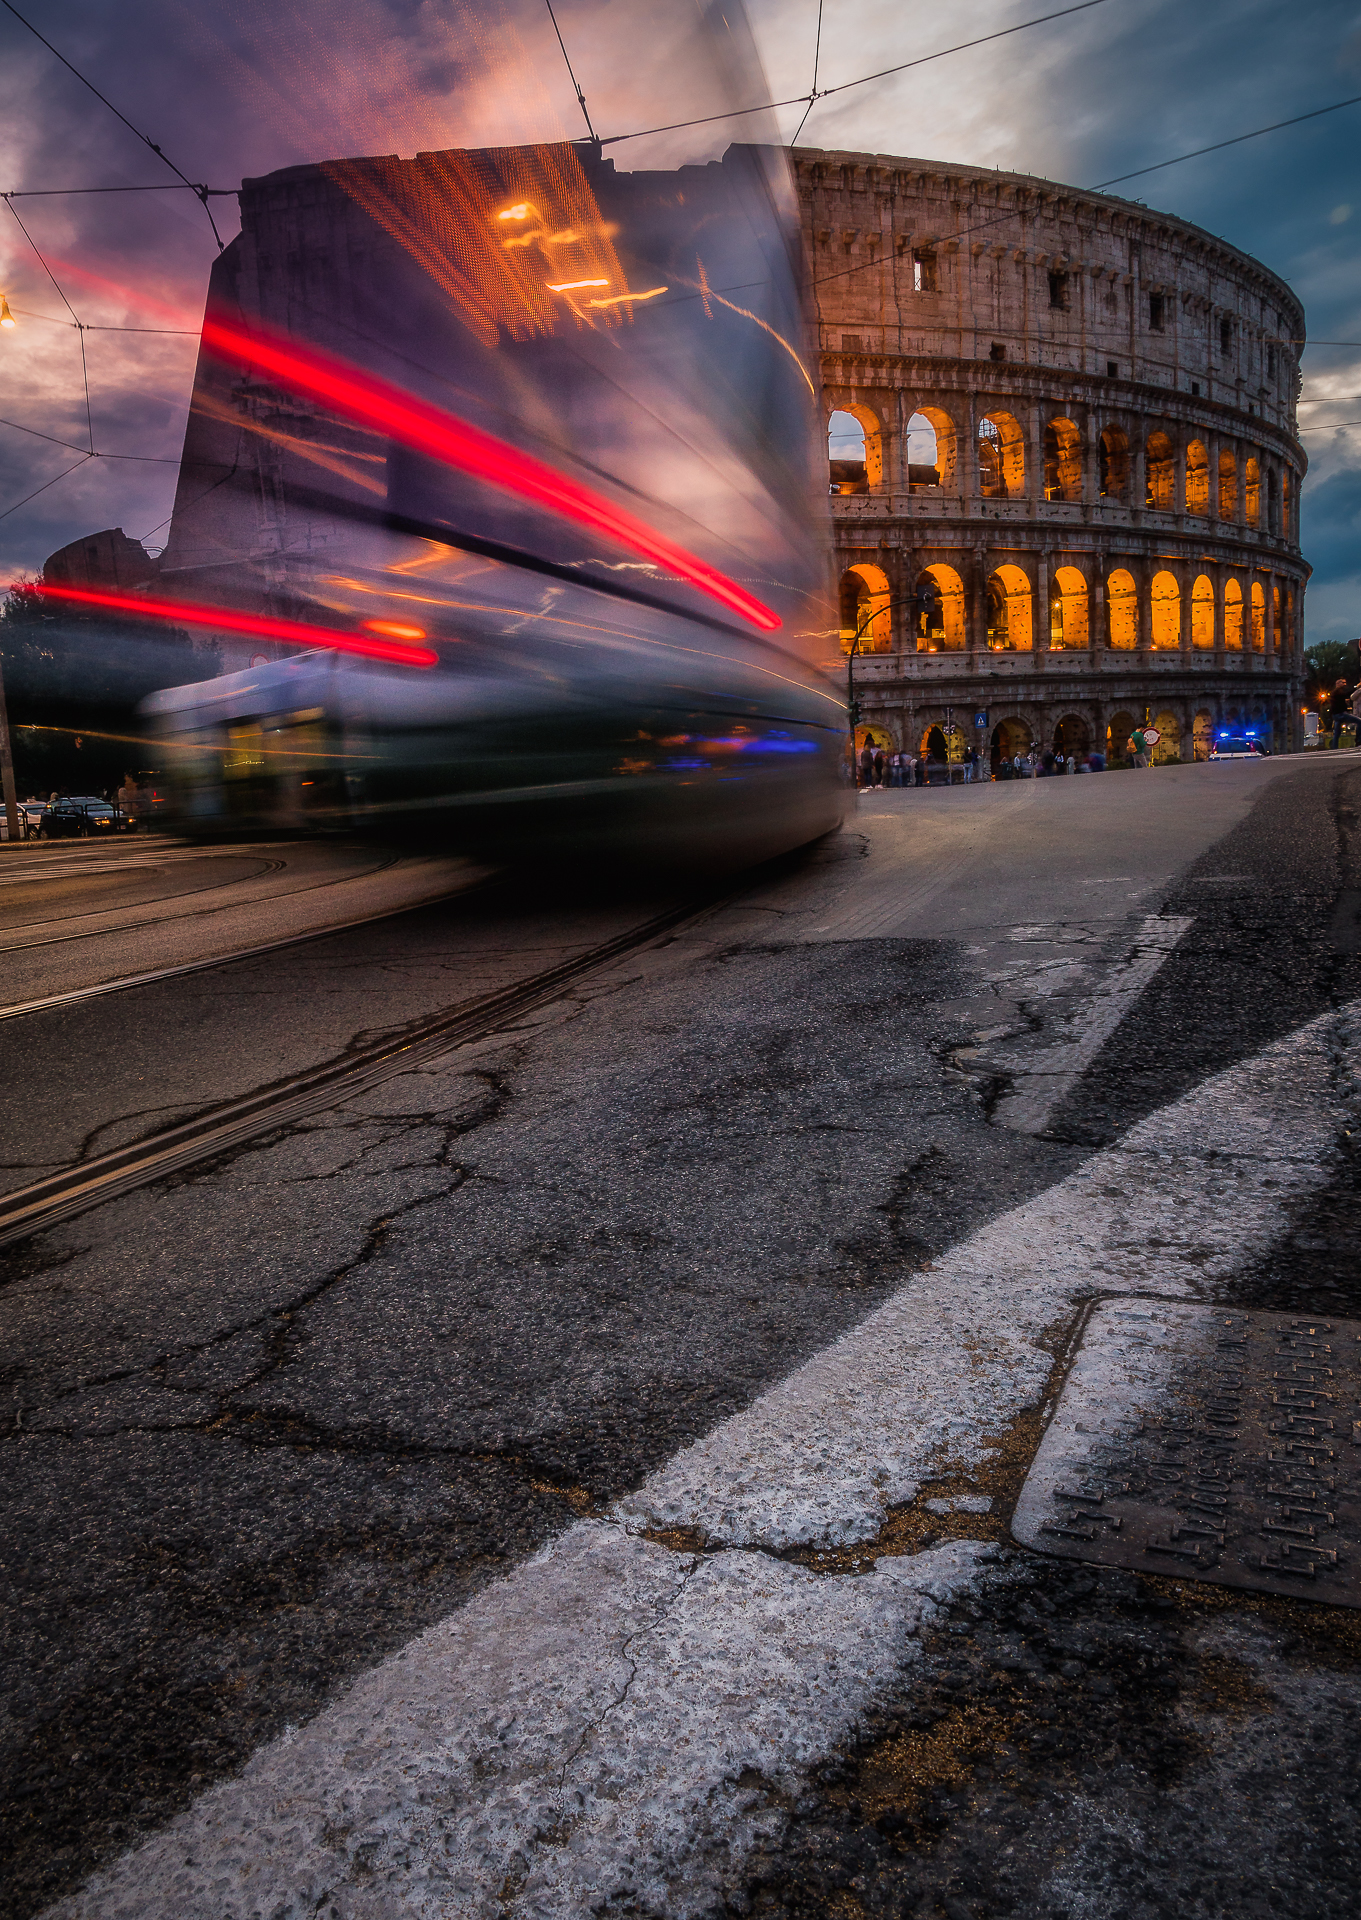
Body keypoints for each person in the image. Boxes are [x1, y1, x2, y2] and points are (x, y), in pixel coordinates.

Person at [1329, 678, 1352, 749]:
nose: (1345, 684)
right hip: (1340, 714)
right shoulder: (1337, 691)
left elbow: (1341, 699)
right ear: (1338, 683)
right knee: (1359, 721)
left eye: (1345, 682)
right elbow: (1344, 695)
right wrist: (1356, 688)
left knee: (1337, 731)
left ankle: (1334, 746)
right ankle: (1359, 740)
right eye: (1343, 682)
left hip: (1337, 714)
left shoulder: (1338, 692)